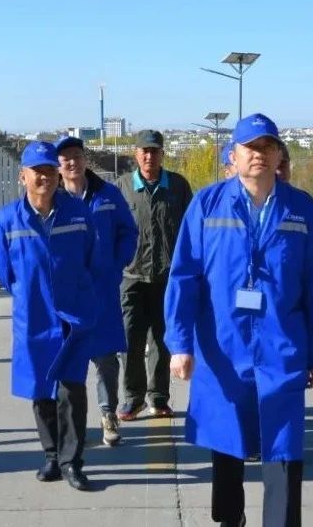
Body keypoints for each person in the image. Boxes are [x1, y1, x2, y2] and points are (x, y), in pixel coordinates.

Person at [165, 112, 313, 527]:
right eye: (251, 147)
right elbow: (184, 277)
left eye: (267, 147)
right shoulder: (207, 204)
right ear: (234, 155)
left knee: (284, 444)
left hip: (281, 344)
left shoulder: (301, 208)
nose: (259, 154)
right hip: (223, 344)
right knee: (227, 437)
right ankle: (231, 518)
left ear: (278, 155)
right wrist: (180, 343)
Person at [0, 141, 99, 491]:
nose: (45, 177)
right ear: (23, 176)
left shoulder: (78, 213)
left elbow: (91, 258)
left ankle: (72, 462)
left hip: (72, 318)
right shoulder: (6, 220)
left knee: (72, 390)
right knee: (41, 390)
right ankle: (51, 455)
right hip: (33, 318)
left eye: (50, 170)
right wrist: (29, 294)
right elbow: (3, 272)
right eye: (37, 171)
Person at [56, 136, 138, 446]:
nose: (72, 163)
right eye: (65, 158)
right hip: (66, 297)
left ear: (85, 159)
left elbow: (128, 232)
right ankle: (71, 424)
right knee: (68, 361)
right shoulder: (53, 198)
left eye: (77, 156)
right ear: (58, 165)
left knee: (106, 360)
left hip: (102, 290)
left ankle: (108, 414)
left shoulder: (107, 194)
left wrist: (117, 265)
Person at [116, 130, 192, 420]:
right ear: (136, 154)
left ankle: (158, 397)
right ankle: (132, 398)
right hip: (131, 277)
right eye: (144, 151)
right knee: (130, 340)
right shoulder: (123, 187)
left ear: (162, 154)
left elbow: (190, 230)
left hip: (167, 278)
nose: (149, 156)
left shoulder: (178, 186)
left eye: (154, 151)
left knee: (162, 341)